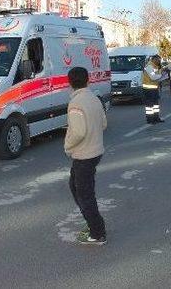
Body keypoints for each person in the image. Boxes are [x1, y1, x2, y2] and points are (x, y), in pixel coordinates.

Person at [64, 67, 107, 246]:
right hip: (95, 151)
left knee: (84, 195)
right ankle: (94, 225)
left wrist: (67, 145)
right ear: (87, 80)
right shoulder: (94, 98)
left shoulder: (75, 103)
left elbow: (79, 132)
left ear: (70, 83)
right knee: (76, 188)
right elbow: (104, 123)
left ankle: (97, 233)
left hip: (84, 154)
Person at [142, 55, 168, 124]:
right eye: (158, 60)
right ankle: (150, 119)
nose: (159, 61)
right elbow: (153, 77)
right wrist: (161, 75)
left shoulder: (156, 66)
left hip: (154, 88)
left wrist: (164, 72)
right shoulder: (149, 66)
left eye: (160, 60)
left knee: (156, 104)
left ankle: (156, 118)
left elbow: (159, 74)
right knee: (149, 106)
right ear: (154, 59)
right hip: (148, 88)